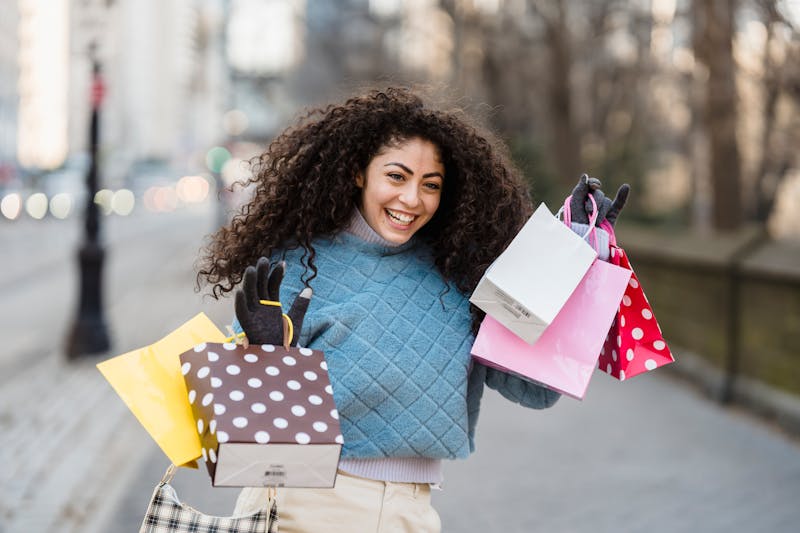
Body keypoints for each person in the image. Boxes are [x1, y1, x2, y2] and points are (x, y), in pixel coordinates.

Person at [197, 87, 628, 532]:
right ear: (358, 173)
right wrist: (264, 357)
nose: (411, 199)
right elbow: (244, 437)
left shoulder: (461, 272)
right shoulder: (300, 264)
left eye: (430, 185)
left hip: (412, 513)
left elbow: (535, 390)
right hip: (302, 505)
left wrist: (576, 253)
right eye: (396, 176)